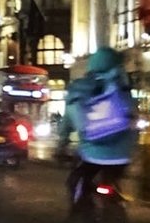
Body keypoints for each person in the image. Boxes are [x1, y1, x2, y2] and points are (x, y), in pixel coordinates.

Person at [57, 47, 137, 214]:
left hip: (91, 153)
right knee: (112, 179)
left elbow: (68, 122)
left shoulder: (79, 89)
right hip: (122, 156)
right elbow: (132, 120)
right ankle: (117, 204)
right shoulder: (123, 87)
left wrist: (62, 144)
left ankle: (81, 217)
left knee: (77, 181)